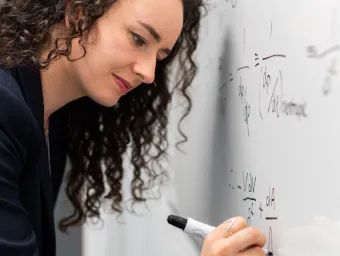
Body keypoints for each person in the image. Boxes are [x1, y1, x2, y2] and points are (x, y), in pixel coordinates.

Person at [0, 0, 267, 255]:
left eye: (160, 56)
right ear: (78, 15)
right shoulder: (6, 111)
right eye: (138, 39)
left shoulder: (54, 118)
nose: (149, 73)